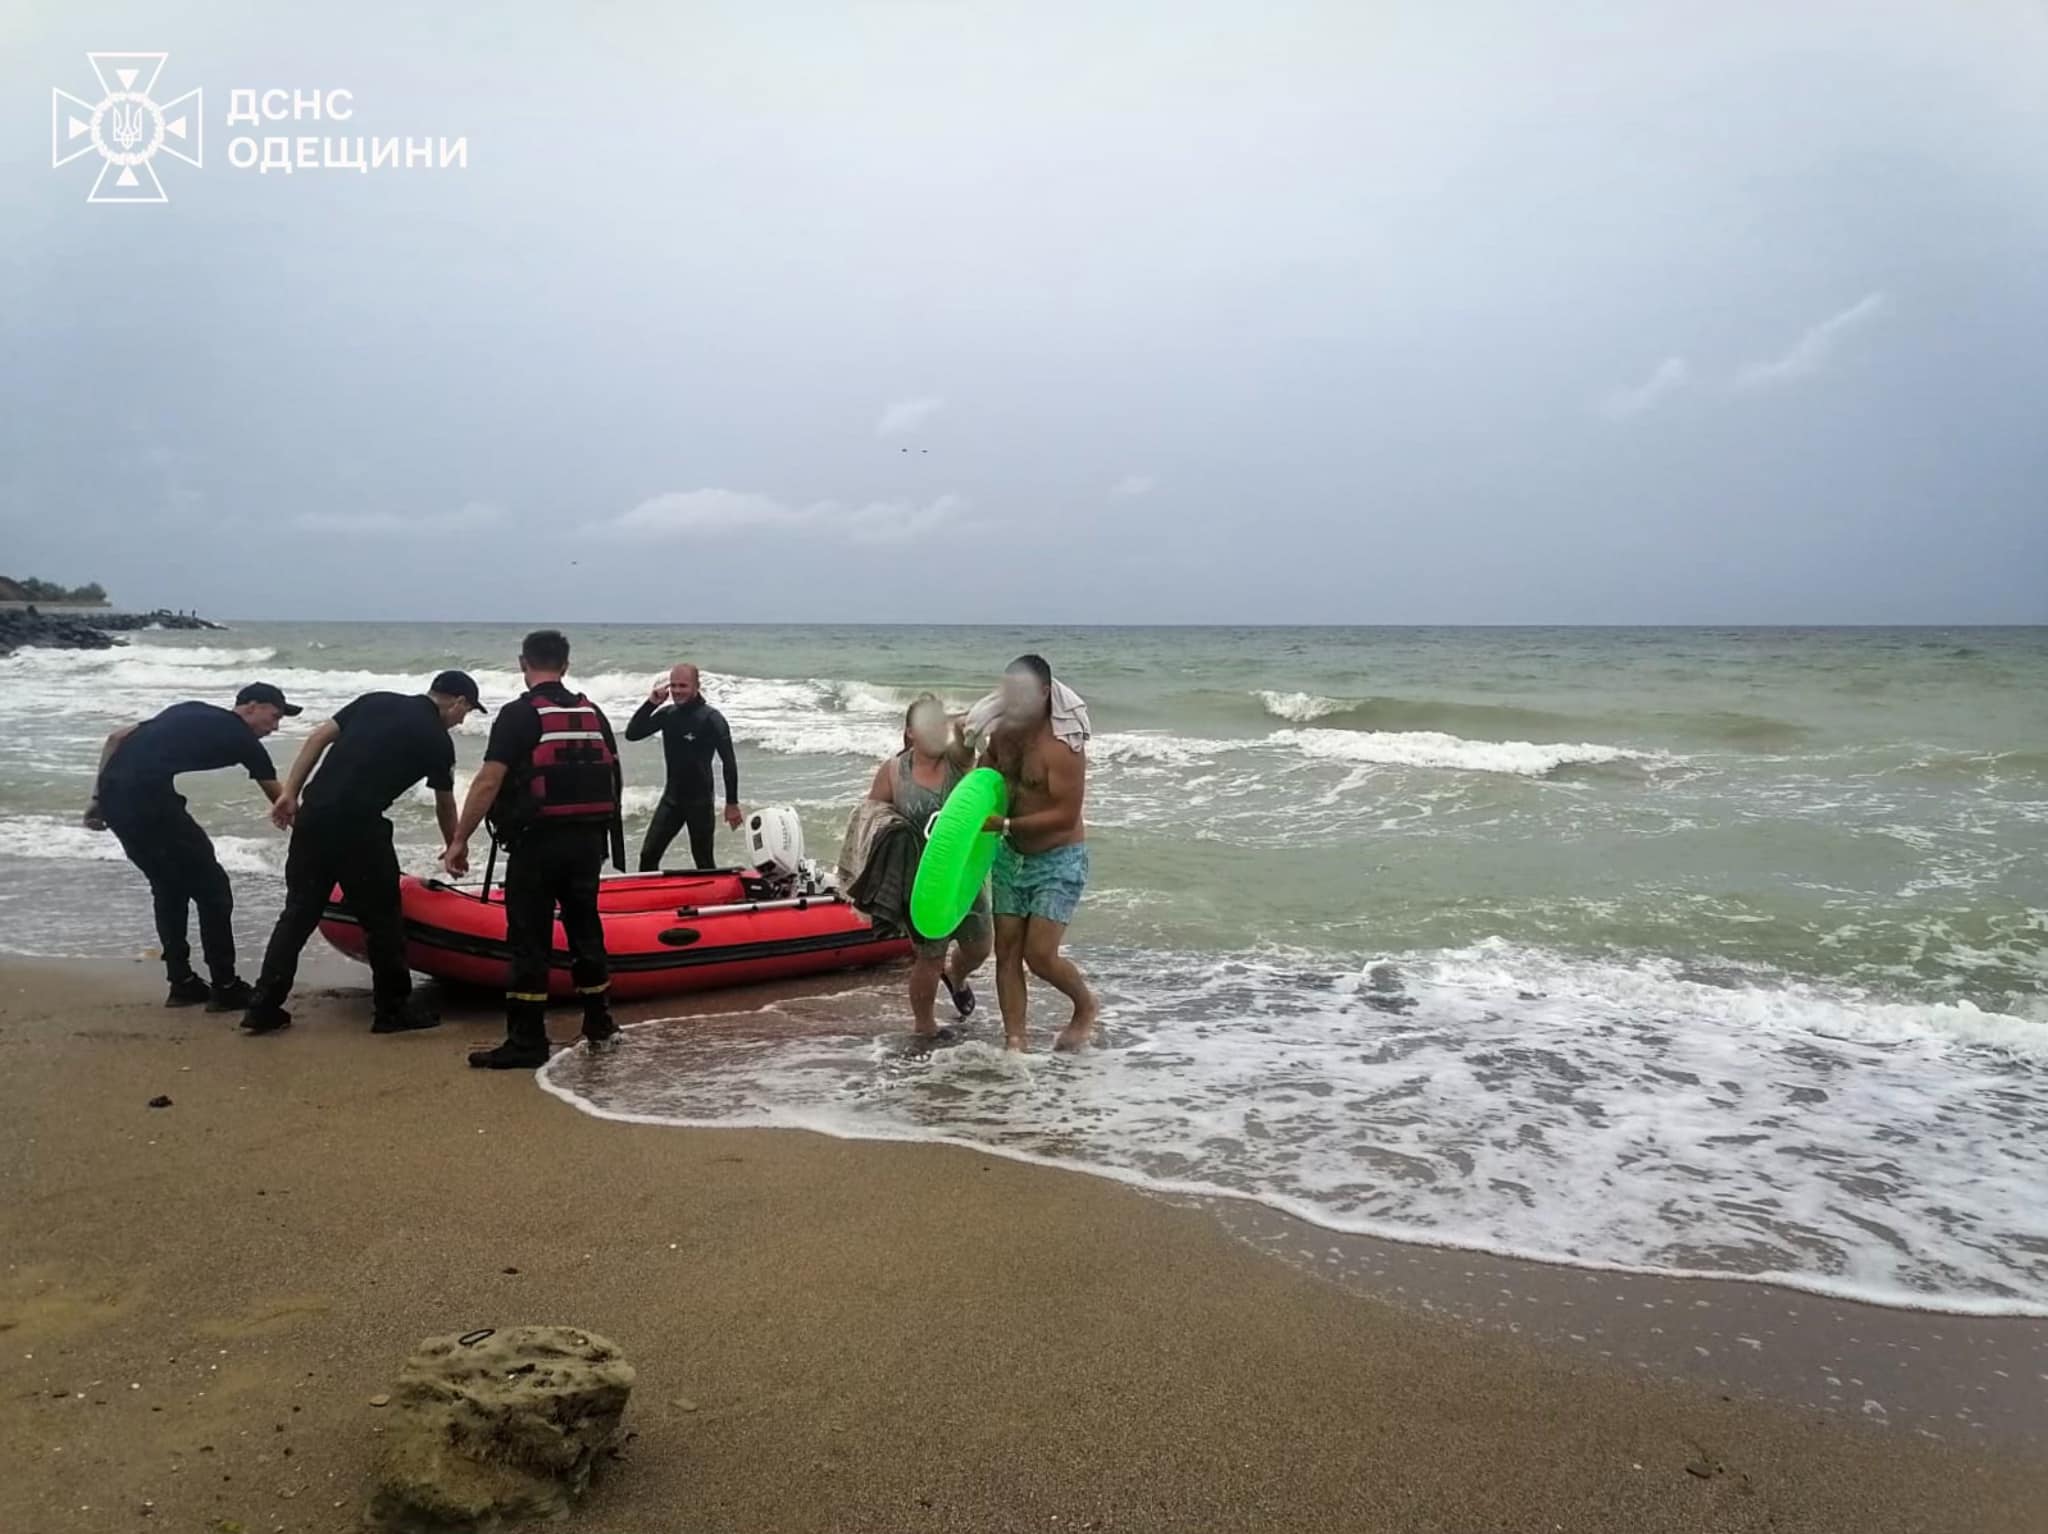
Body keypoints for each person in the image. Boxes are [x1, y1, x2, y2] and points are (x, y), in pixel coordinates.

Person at [240, 672, 488, 1036]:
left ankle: (263, 1006)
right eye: (465, 713)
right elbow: (444, 801)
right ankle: (393, 1010)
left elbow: (318, 737)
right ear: (458, 702)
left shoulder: (375, 700)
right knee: (383, 921)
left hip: (313, 817)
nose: (462, 721)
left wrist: (290, 792)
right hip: (358, 828)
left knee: (297, 914)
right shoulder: (437, 741)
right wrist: (455, 844)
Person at [441, 630, 624, 1069]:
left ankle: (526, 1040)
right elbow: (615, 778)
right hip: (586, 844)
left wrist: (459, 839)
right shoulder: (593, 712)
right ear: (566, 663)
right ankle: (600, 1023)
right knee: (586, 931)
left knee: (528, 940)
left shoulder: (519, 715)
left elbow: (489, 780)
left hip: (537, 846)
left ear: (524, 664)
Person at [84, 683, 296, 1009]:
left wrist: (97, 800)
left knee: (168, 886)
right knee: (214, 891)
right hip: (150, 803)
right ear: (251, 706)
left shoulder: (190, 709)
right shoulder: (241, 737)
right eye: (275, 716)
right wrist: (315, 831)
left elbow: (116, 737)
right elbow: (281, 801)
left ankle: (182, 983)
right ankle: (225, 986)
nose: (276, 726)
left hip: (116, 801)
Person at [979, 655, 1099, 1051]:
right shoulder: (1003, 733)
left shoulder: (1062, 747)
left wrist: (1007, 825)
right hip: (1010, 856)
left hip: (1057, 857)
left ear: (1045, 693)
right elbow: (984, 778)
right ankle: (1015, 1040)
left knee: (1040, 955)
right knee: (1007, 950)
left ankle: (1085, 1006)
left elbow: (1065, 816)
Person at [865, 694, 992, 1038]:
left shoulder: (958, 761)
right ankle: (925, 1028)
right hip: (920, 881)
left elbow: (968, 730)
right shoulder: (894, 771)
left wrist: (975, 712)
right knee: (929, 957)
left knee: (980, 948)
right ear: (910, 733)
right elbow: (869, 816)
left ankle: (959, 976)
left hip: (964, 875)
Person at [624, 663, 743, 870]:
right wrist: (651, 703)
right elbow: (632, 733)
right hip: (671, 800)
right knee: (648, 855)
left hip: (700, 802)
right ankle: (653, 900)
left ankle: (712, 899)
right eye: (673, 685)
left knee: (703, 861)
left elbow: (729, 763)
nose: (677, 691)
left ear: (697, 686)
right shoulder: (668, 714)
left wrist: (731, 803)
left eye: (683, 686)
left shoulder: (711, 719)